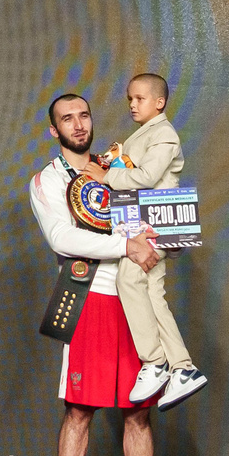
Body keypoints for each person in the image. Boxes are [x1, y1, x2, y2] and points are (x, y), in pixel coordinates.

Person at [30, 92, 167, 456]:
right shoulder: (47, 181)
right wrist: (127, 246)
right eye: (67, 119)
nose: (78, 124)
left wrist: (160, 237)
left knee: (138, 411)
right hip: (86, 295)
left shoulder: (119, 168)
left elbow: (156, 218)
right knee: (78, 410)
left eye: (84, 115)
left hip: (134, 299)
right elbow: (63, 238)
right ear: (55, 130)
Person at [85, 71, 208, 411]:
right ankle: (183, 369)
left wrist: (106, 175)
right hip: (144, 223)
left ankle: (155, 361)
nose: (132, 104)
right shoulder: (145, 133)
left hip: (156, 223)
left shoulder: (164, 133)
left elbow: (148, 177)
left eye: (139, 98)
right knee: (153, 294)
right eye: (129, 98)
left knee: (129, 277)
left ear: (160, 102)